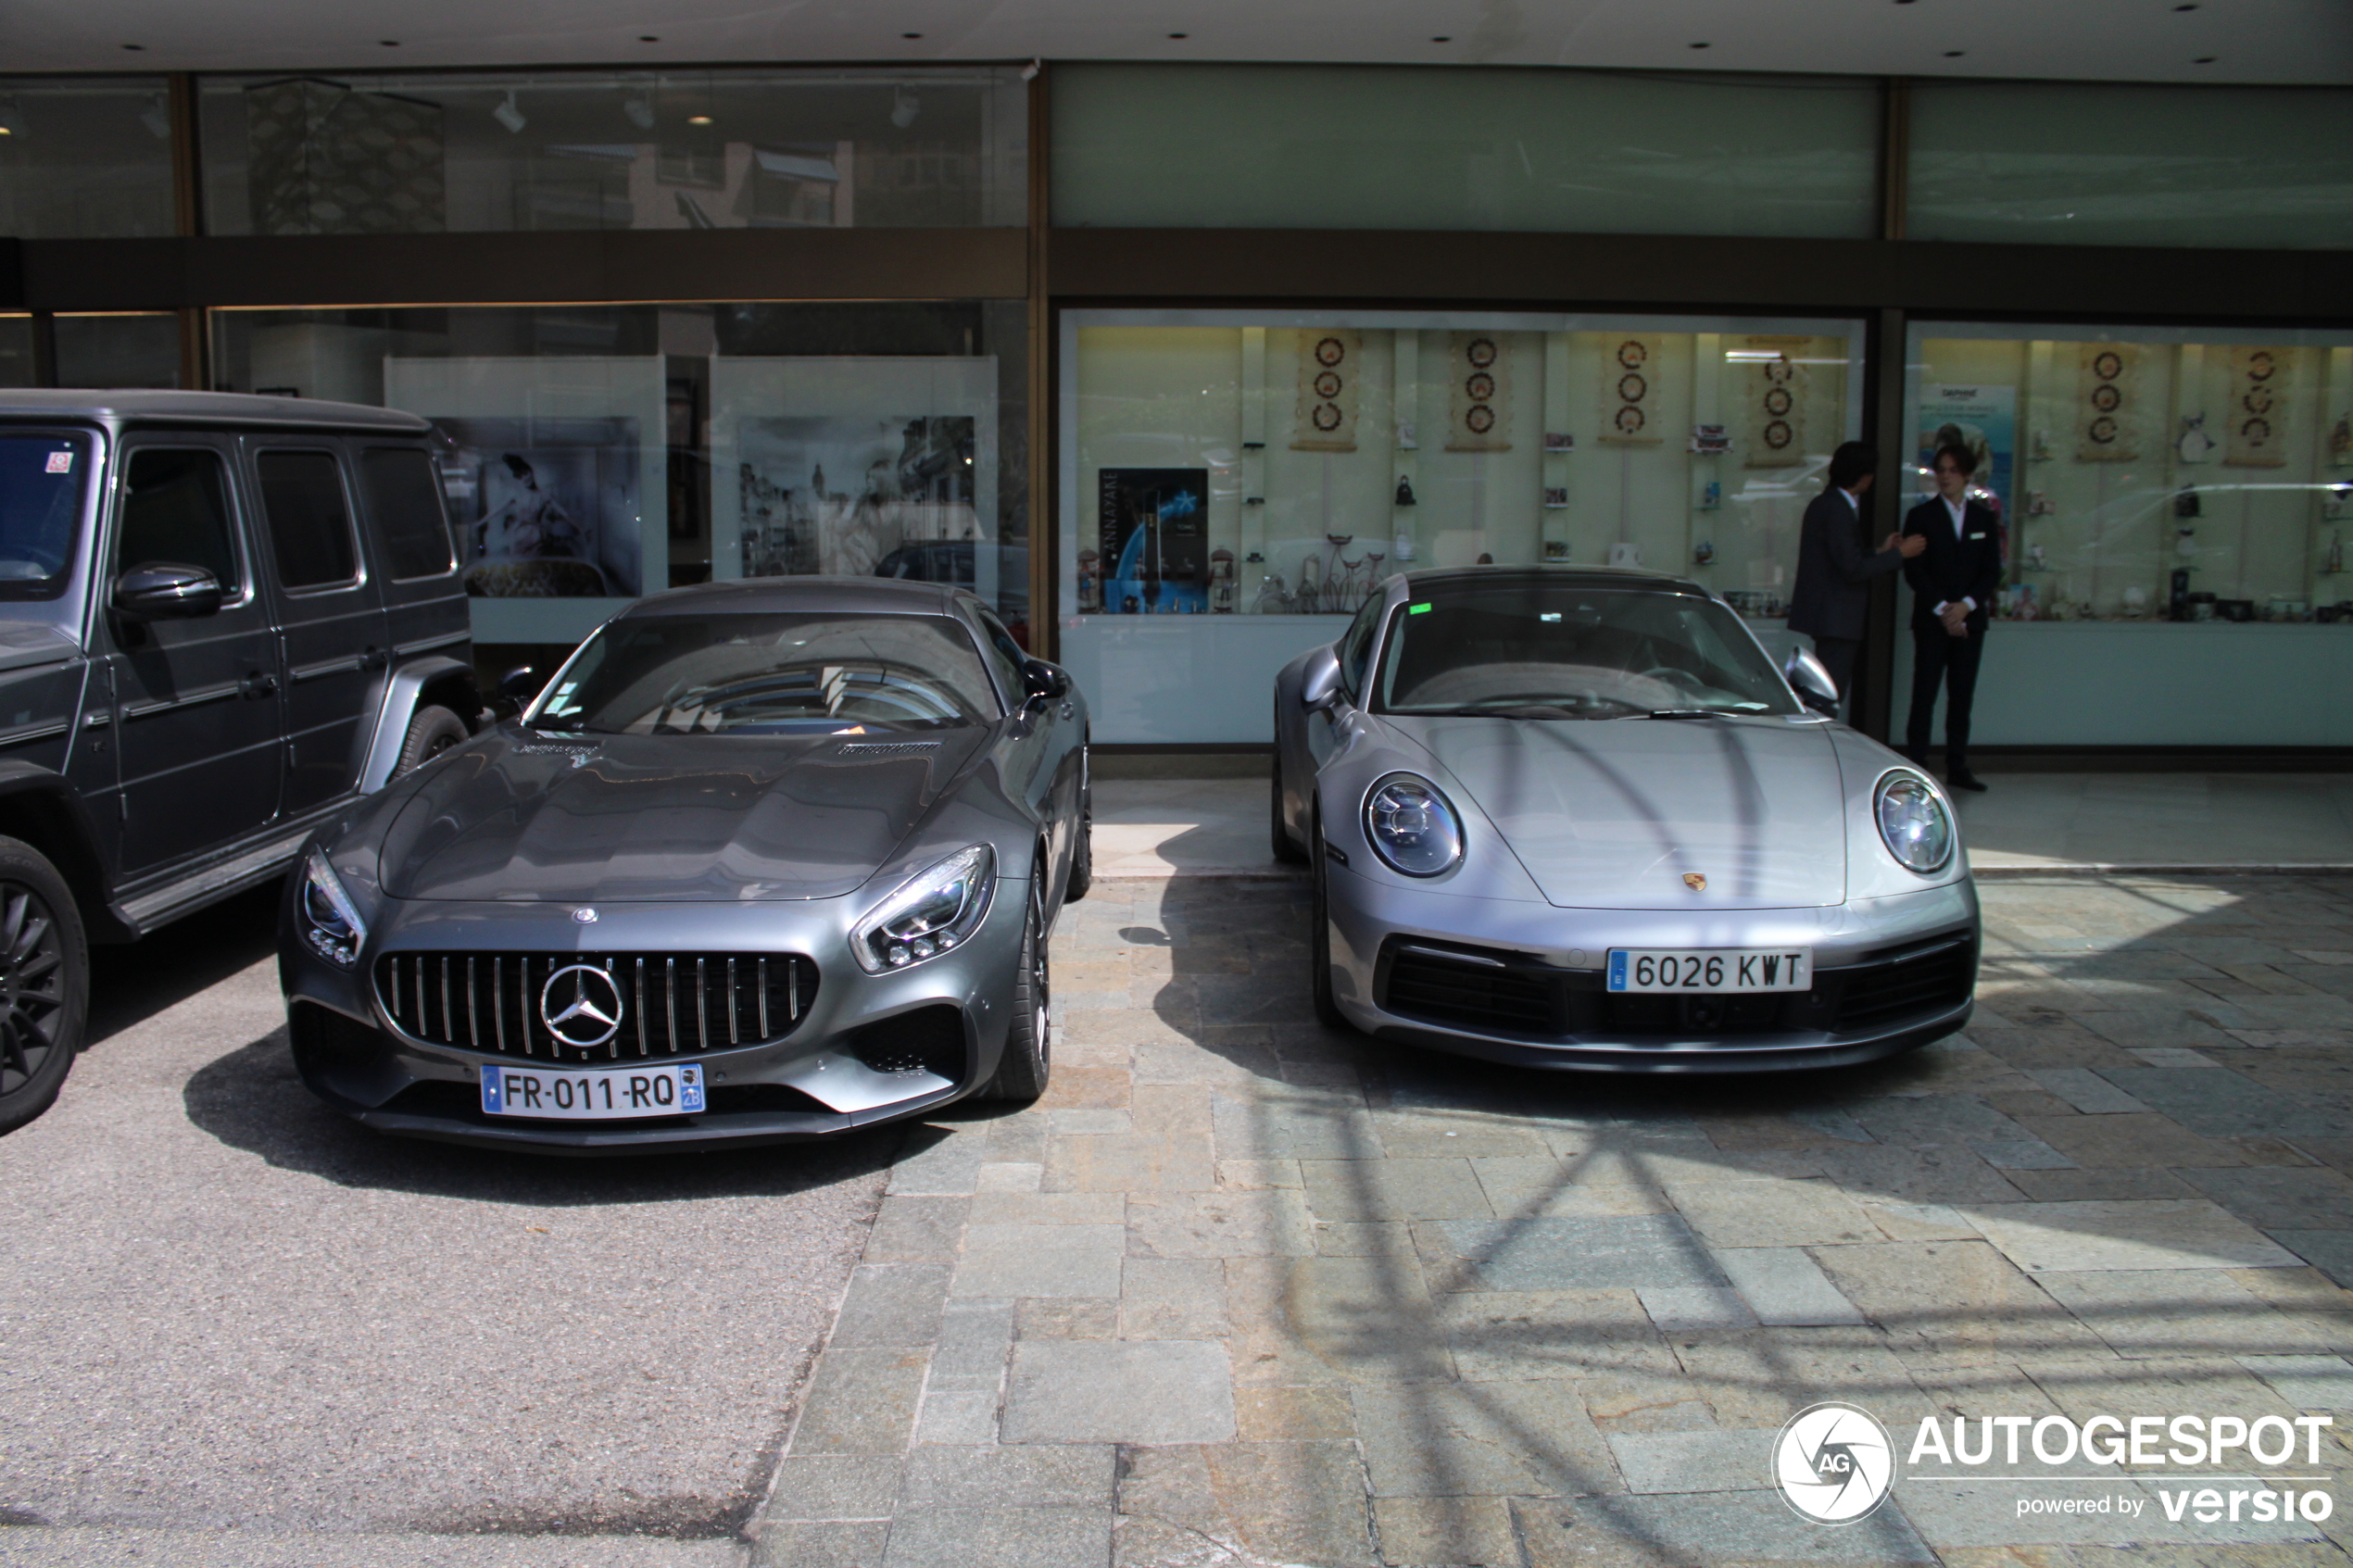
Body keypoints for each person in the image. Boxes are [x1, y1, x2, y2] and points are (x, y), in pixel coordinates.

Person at [1785, 442, 1924, 706]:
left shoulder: (1827, 504)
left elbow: (1843, 559)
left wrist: (1880, 552)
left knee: (1822, 689)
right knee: (1826, 696)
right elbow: (1852, 568)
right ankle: (1820, 743)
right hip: (1836, 618)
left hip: (1829, 617)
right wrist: (1898, 555)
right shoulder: (1837, 508)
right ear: (1866, 476)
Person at [1903, 442, 2003, 792]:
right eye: (1940, 470)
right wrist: (1945, 610)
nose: (1945, 476)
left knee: (1962, 697)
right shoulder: (1921, 516)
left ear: (1967, 475)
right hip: (1933, 621)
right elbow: (1915, 571)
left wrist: (1966, 607)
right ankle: (1916, 763)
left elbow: (1992, 571)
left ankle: (1957, 765)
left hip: (1970, 622)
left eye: (1952, 470)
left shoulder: (1983, 518)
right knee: (1924, 693)